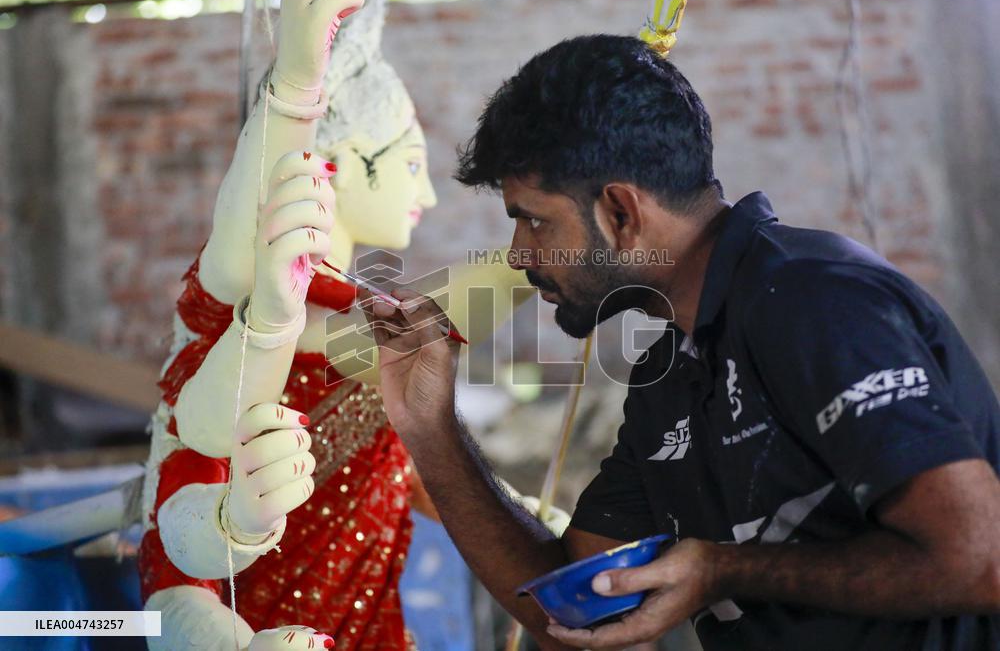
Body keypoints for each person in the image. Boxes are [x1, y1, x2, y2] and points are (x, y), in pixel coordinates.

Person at [362, 34, 1000, 650]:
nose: (521, 252)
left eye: (534, 219)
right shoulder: (669, 369)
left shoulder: (814, 303)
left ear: (620, 213)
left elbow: (979, 559)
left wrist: (723, 570)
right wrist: (431, 428)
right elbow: (573, 609)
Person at [137, 0, 529, 649]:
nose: (427, 191)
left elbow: (396, 463)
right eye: (411, 162)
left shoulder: (359, 326)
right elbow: (419, 319)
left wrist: (518, 521)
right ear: (340, 165)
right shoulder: (246, 289)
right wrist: (297, 78)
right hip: (230, 608)